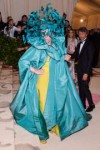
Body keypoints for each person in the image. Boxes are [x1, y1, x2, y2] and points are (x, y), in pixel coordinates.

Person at [10, 5, 89, 144]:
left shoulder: (56, 47)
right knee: (41, 103)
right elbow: (23, 62)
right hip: (41, 80)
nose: (47, 36)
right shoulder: (37, 48)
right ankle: (42, 130)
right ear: (40, 33)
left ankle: (54, 124)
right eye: (44, 33)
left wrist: (63, 57)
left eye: (49, 33)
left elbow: (59, 60)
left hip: (55, 80)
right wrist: (35, 70)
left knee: (55, 102)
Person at [71, 27, 95, 112]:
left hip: (85, 70)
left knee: (85, 87)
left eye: (82, 34)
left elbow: (90, 60)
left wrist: (86, 73)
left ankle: (91, 104)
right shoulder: (79, 44)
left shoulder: (90, 44)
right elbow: (75, 55)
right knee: (81, 88)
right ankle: (82, 104)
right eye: (79, 33)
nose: (80, 35)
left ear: (86, 34)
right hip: (79, 69)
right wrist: (67, 56)